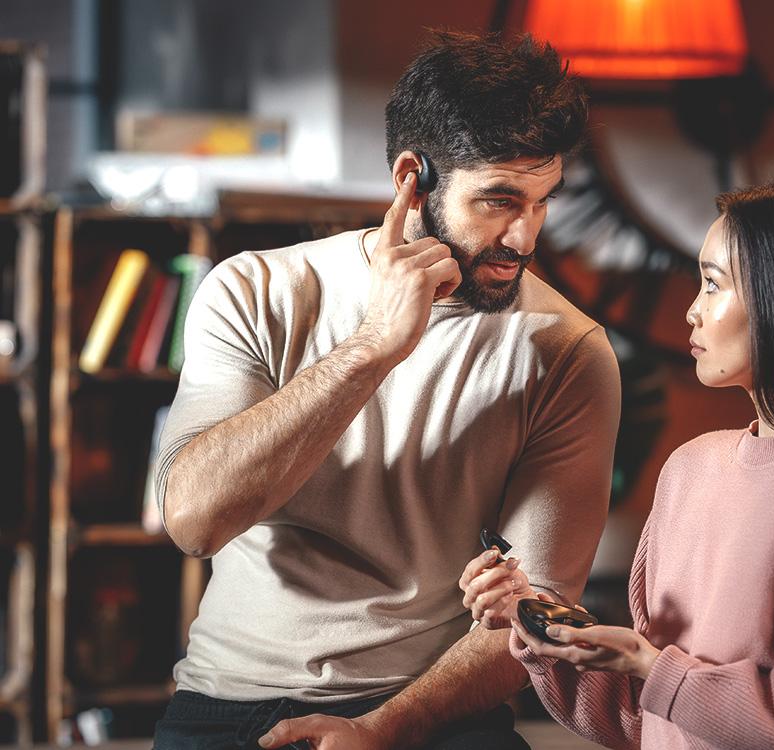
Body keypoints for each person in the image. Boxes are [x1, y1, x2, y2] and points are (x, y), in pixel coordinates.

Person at [151, 32, 620, 750]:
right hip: (230, 697)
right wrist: (372, 348)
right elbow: (194, 521)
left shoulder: (569, 353)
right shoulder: (254, 291)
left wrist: (380, 729)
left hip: (431, 708)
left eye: (542, 201)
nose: (525, 237)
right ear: (414, 176)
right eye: (498, 200)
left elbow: (535, 614)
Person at [460, 181, 774, 749]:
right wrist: (536, 624)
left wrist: (646, 662)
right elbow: (648, 718)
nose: (691, 309)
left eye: (713, 284)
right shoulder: (689, 469)